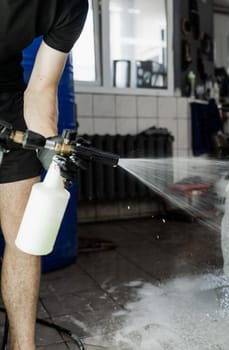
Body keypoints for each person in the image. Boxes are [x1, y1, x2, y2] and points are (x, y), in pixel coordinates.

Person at [0, 1, 88, 348]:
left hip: (7, 99)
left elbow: (41, 89)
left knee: (24, 235)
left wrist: (50, 148)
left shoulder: (69, 7)